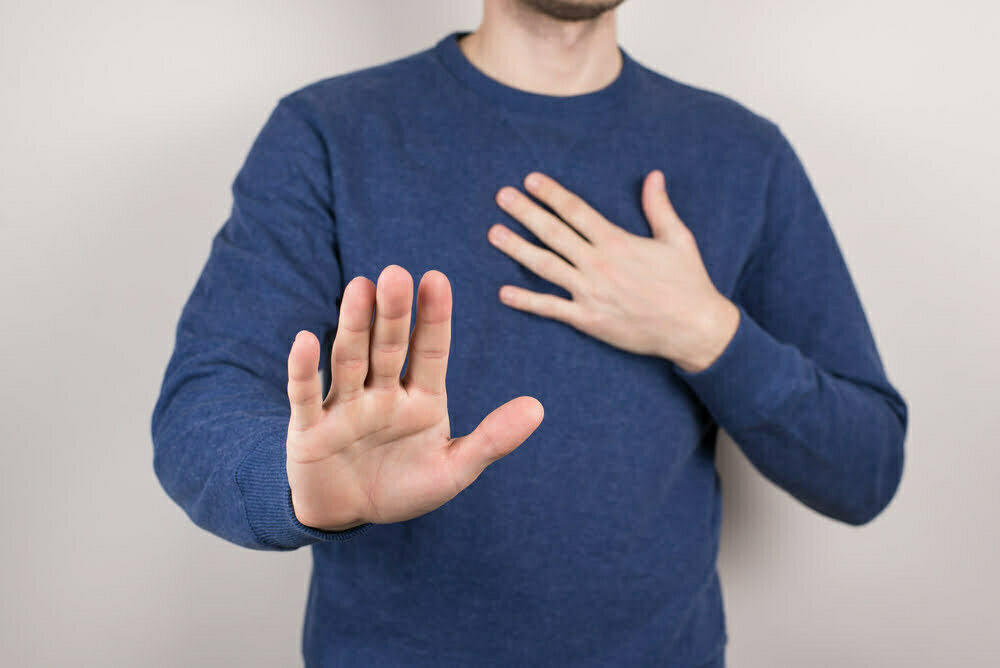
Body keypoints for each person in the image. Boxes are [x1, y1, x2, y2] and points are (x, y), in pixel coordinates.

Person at [150, 1, 909, 665]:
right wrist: (294, 486)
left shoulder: (746, 155)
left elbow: (865, 469)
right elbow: (202, 403)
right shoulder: (328, 132)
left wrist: (708, 333)